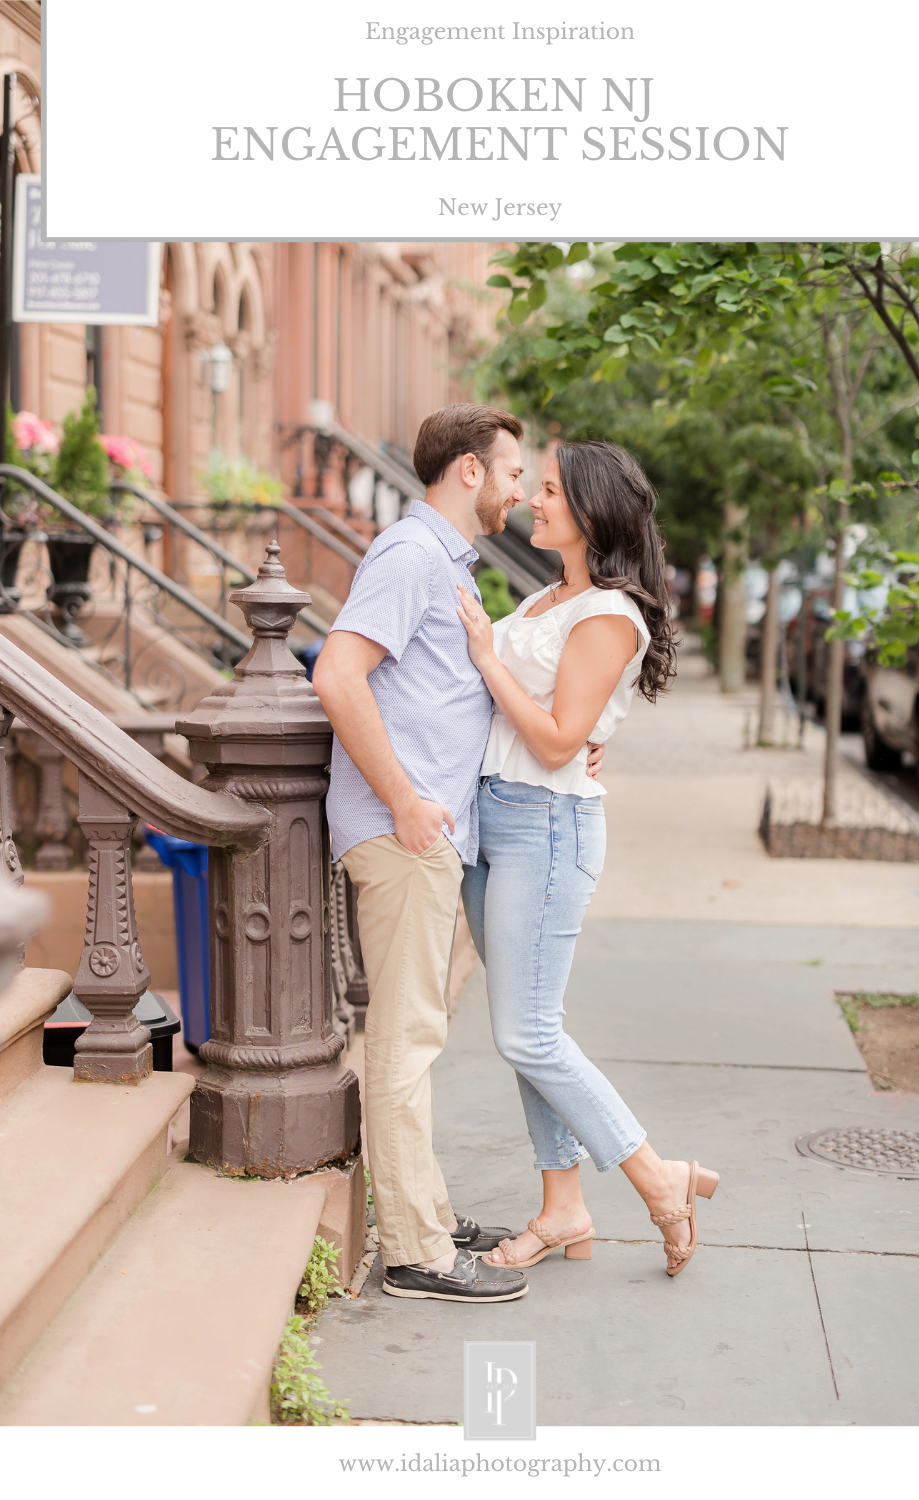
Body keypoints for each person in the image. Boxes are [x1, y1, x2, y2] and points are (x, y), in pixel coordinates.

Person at [312, 403, 603, 1303]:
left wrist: (580, 734)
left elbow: (455, 691)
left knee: (416, 1036)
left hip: (431, 836)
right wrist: (402, 800)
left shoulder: (443, 562)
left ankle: (426, 1213)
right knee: (404, 1043)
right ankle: (416, 1253)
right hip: (406, 838)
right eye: (515, 472)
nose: (522, 489)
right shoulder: (409, 555)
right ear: (470, 472)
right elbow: (336, 673)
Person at [457, 441, 720, 1278]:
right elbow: (551, 728)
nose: (534, 499)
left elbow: (561, 737)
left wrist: (488, 660)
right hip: (495, 818)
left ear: (594, 510)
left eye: (550, 491)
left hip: (546, 824)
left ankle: (657, 1176)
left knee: (527, 1034)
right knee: (529, 1032)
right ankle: (563, 1207)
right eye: (536, 487)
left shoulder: (606, 612)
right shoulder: (549, 596)